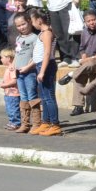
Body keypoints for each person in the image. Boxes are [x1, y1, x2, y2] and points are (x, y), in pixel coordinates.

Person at [59, 9, 96, 116]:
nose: (91, 23)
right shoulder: (84, 32)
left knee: (90, 64)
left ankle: (71, 74)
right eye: (88, 21)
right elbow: (82, 48)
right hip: (88, 62)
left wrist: (90, 59)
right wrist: (84, 56)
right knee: (80, 75)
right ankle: (78, 106)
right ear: (85, 22)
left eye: (93, 20)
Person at [28, 7, 62, 136]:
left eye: (32, 21)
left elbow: (47, 53)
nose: (32, 24)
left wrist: (42, 71)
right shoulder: (42, 33)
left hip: (46, 66)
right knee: (44, 97)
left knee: (49, 97)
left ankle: (55, 124)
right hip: (40, 65)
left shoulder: (47, 33)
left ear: (39, 20)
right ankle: (46, 122)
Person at [11, 12, 40, 134]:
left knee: (32, 97)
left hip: (30, 72)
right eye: (18, 26)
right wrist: (13, 65)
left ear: (29, 22)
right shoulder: (18, 38)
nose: (21, 27)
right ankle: (25, 123)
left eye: (23, 24)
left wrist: (28, 67)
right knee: (23, 98)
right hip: (19, 73)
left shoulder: (34, 38)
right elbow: (17, 53)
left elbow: (36, 56)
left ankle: (36, 123)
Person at [0, 48, 21, 131]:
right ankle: (12, 121)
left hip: (13, 94)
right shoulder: (8, 68)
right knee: (9, 109)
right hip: (8, 93)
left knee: (14, 109)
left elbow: (14, 81)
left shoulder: (12, 68)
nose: (0, 59)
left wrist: (4, 85)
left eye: (2, 57)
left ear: (8, 58)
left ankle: (16, 123)